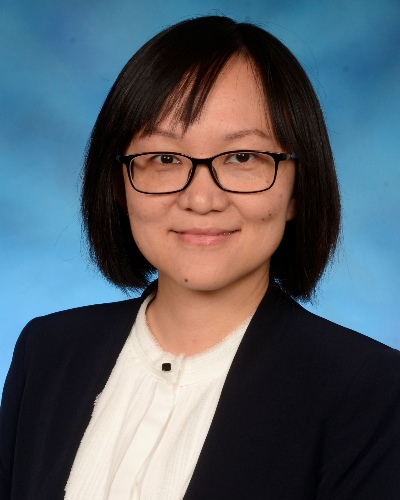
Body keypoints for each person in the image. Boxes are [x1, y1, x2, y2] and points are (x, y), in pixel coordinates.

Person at [1, 15, 399, 500]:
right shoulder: (48, 352)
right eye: (165, 159)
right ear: (119, 186)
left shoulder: (372, 391)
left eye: (243, 157)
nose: (202, 199)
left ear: (297, 189)